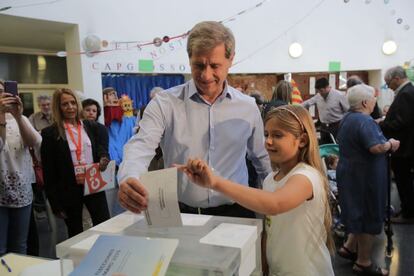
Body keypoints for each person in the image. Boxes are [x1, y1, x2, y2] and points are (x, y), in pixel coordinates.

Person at [117, 21, 271, 218]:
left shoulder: (247, 107)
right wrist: (129, 177)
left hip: (237, 213)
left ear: (231, 59)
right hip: (182, 213)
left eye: (215, 66)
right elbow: (140, 145)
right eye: (198, 65)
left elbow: (262, 159)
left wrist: (274, 203)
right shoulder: (165, 103)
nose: (206, 75)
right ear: (189, 59)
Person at [176, 105, 334, 275]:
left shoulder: (306, 177)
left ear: (302, 140)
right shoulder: (270, 180)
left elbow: (274, 204)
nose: (268, 141)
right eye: (266, 134)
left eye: (278, 135)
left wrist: (215, 183)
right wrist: (264, 267)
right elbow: (270, 229)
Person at [336, 84, 399, 275]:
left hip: (350, 173)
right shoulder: (365, 122)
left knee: (356, 212)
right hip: (365, 177)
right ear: (365, 102)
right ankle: (363, 262)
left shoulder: (348, 118)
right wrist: (390, 144)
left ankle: (348, 247)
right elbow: (376, 148)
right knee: (368, 215)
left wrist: (375, 124)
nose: (375, 102)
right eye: (373, 99)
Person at [41, 88, 110, 237]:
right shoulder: (50, 134)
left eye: (73, 103)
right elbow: (49, 172)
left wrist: (104, 157)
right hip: (69, 189)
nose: (70, 107)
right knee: (76, 233)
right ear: (58, 107)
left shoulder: (92, 127)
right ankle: (78, 260)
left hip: (93, 183)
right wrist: (55, 203)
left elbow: (101, 149)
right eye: (65, 104)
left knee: (104, 226)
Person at [0, 81, 42, 254]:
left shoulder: (22, 119)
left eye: (3, 91)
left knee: (19, 246)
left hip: (21, 191)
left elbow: (35, 143)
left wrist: (17, 116)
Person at [379, 66, 414, 223]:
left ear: (396, 79)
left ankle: (409, 213)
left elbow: (402, 122)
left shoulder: (406, 93)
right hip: (406, 144)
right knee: (404, 181)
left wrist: (382, 124)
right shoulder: (406, 91)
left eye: (388, 83)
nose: (388, 86)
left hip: (405, 147)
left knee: (403, 180)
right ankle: (407, 208)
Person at [302, 77, 349, 144]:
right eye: (318, 91)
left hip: (337, 127)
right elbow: (307, 103)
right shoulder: (318, 96)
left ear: (327, 87)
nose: (320, 93)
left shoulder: (339, 95)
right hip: (324, 127)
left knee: (337, 147)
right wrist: (294, 108)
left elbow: (348, 111)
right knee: (325, 147)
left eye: (321, 91)